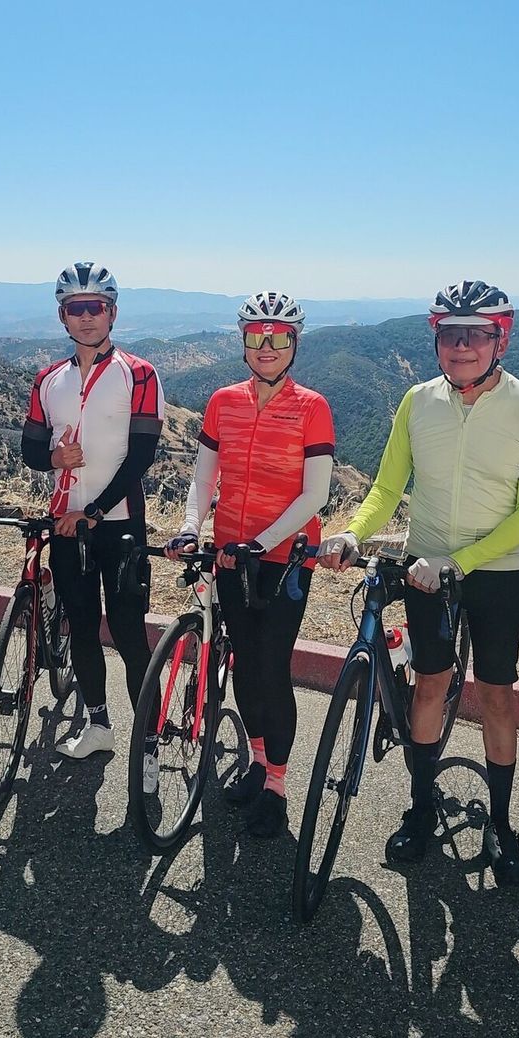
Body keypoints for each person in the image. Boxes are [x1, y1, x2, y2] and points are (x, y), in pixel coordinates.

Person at [319, 280, 519, 882]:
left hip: (495, 570)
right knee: (430, 686)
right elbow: (386, 487)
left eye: (476, 334)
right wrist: (353, 533)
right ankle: (421, 808)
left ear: (500, 341)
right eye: (451, 335)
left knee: (497, 695)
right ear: (437, 341)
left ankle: (502, 824)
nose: (462, 346)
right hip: (424, 565)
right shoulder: (417, 401)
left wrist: (461, 561)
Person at [168, 291, 335, 837]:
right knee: (242, 663)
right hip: (230, 553)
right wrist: (190, 526)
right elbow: (204, 476)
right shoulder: (223, 402)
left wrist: (263, 543)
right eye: (256, 336)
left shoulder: (312, 407)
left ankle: (277, 787)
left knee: (271, 666)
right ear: (242, 341)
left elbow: (315, 495)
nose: (267, 346)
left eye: (279, 336)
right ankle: (259, 763)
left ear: (294, 343)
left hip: (285, 559)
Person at [21, 262, 164, 766]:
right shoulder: (48, 380)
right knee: (80, 627)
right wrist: (54, 458)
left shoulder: (139, 374)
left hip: (120, 525)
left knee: (128, 636)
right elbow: (30, 450)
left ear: (112, 313)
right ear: (62, 316)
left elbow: (142, 456)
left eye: (96, 307)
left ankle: (148, 741)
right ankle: (99, 725)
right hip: (67, 524)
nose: (86, 317)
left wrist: (95, 511)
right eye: (76, 308)